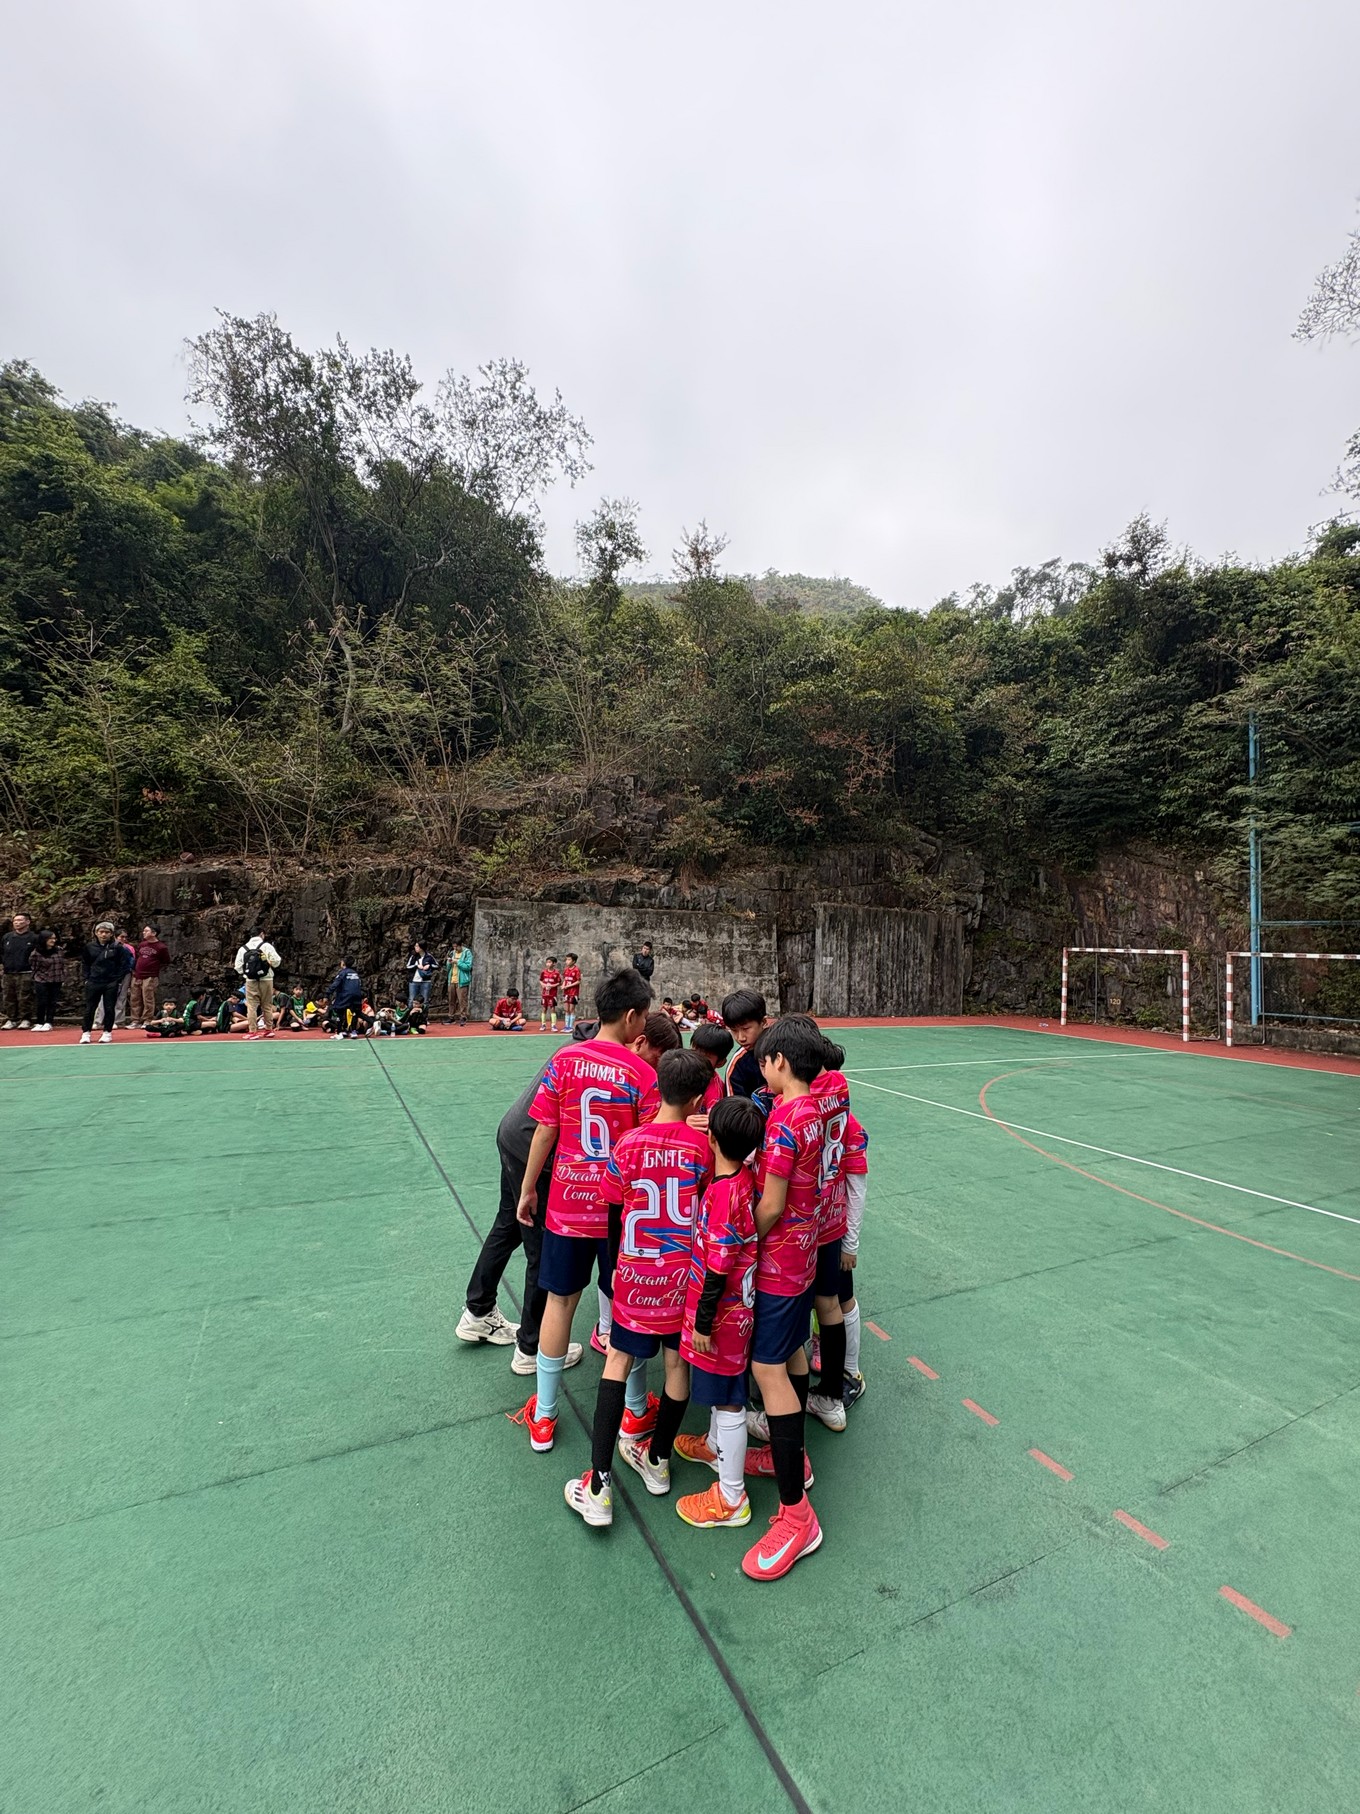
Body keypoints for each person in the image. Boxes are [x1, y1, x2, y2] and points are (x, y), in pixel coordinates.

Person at [508, 966, 658, 1454]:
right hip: (621, 1212)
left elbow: (546, 1130)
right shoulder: (643, 1074)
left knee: (561, 1302)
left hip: (568, 1204)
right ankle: (634, 1409)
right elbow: (648, 1145)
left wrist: (528, 1189)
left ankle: (545, 1415)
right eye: (645, 1016)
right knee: (625, 1308)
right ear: (631, 1016)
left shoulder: (565, 1059)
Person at [565, 1048, 713, 1527]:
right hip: (681, 1278)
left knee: (618, 1360)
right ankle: (658, 1460)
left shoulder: (627, 1145)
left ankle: (599, 1484)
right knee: (676, 1365)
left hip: (635, 1275)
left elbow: (612, 1213)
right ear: (697, 1099)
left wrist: (613, 1269)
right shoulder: (701, 1150)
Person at [739, 1017, 826, 1582]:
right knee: (793, 1353)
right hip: (803, 1257)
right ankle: (790, 1455)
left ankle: (798, 1516)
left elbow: (769, 1205)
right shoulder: (813, 1107)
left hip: (778, 1263)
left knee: (766, 1367)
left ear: (781, 1063)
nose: (761, 1069)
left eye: (765, 1061)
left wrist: (737, 1240)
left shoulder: (786, 1121)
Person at [457, 1043, 592, 1378]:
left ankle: (478, 1311)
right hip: (532, 1145)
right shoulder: (609, 1061)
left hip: (513, 1133)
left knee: (508, 1224)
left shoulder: (579, 1045)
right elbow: (550, 1127)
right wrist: (532, 1184)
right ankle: (532, 1347)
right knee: (542, 1249)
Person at [673, 1094, 767, 1529]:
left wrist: (704, 1320)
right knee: (722, 1392)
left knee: (729, 1399)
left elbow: (719, 1266)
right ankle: (714, 1447)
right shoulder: (742, 1177)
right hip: (734, 1312)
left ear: (711, 1137)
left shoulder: (725, 1193)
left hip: (723, 1317)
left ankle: (732, 1497)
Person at [589, 1009, 684, 1355]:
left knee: (612, 1257)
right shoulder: (636, 1076)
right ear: (640, 1041)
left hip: (606, 1179)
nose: (659, 1070)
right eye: (659, 1059)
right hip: (607, 1181)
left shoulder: (590, 1054)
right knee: (610, 1256)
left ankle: (608, 1326)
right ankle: (606, 1327)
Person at [79, 921, 133, 1044]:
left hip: (110, 982)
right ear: (96, 933)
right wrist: (87, 978)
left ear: (111, 934)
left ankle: (107, 1032)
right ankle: (86, 1033)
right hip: (94, 981)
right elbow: (85, 963)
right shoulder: (89, 947)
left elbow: (124, 964)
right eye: (101, 932)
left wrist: (117, 979)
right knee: (90, 1008)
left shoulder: (118, 948)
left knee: (109, 1008)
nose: (103, 934)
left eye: (107, 932)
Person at [721, 988, 774, 1106]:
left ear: (763, 1021)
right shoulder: (737, 1066)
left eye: (746, 1029)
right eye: (734, 1030)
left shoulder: (785, 1047)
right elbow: (735, 1110)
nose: (741, 1038)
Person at [235, 930, 282, 1039]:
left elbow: (238, 967)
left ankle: (252, 1031)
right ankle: (268, 1029)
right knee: (267, 1005)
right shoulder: (266, 946)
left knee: (251, 1006)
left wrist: (247, 973)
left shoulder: (243, 948)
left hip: (251, 980)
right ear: (262, 934)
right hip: (267, 979)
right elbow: (277, 962)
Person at [127, 925, 170, 1027]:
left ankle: (147, 1019)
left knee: (148, 999)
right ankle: (135, 1020)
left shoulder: (161, 947)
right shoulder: (142, 944)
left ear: (154, 933)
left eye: (146, 931)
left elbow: (166, 961)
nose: (144, 933)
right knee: (135, 998)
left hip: (150, 976)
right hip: (137, 975)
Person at [1, 911, 37, 1028]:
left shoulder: (34, 938)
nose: (17, 923)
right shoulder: (7, 937)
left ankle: (25, 1019)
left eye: (20, 920)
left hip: (26, 971)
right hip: (8, 972)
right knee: (8, 996)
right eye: (15, 921)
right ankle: (11, 1019)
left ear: (27, 922)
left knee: (25, 996)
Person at [690, 1022, 735, 1113]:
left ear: (720, 1063)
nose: (697, 1059)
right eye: (694, 1052)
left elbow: (712, 1120)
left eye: (706, 1057)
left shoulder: (715, 1091)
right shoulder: (680, 1072)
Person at [29, 929, 64, 1031]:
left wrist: (63, 976)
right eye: (50, 938)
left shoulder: (59, 950)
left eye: (54, 938)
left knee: (52, 1001)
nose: (53, 940)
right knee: (41, 1001)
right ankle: (39, 1022)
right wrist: (37, 977)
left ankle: (49, 1022)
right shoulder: (36, 953)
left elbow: (62, 964)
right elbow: (34, 967)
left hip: (56, 979)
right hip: (41, 979)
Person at [325, 958, 364, 1037]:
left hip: (345, 995)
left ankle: (339, 1032)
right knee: (354, 1012)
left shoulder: (343, 973)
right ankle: (353, 1032)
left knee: (339, 1011)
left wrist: (327, 994)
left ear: (343, 963)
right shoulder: (355, 973)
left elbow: (335, 984)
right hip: (357, 995)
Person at [447, 941, 474, 1024]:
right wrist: (449, 962)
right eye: (453, 947)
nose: (455, 949)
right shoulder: (452, 953)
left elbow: (468, 966)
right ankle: (451, 1016)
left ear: (461, 945)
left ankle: (463, 1017)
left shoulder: (467, 953)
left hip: (461, 980)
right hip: (452, 979)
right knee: (451, 999)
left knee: (462, 1000)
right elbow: (447, 967)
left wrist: (457, 962)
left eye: (456, 947)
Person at [406, 941, 437, 1008]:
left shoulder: (429, 956)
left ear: (422, 947)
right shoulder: (413, 956)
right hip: (414, 981)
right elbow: (408, 966)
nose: (415, 947)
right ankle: (410, 1013)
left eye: (417, 946)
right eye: (415, 946)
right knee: (411, 999)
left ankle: (424, 1013)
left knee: (425, 1000)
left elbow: (436, 965)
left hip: (426, 981)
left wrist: (429, 965)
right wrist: (416, 966)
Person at [538, 955, 561, 1032]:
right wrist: (544, 985)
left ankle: (553, 1025)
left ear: (554, 963)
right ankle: (543, 1024)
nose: (548, 964)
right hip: (545, 994)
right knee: (544, 1008)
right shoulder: (543, 972)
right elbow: (540, 980)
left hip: (552, 994)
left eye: (550, 962)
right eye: (547, 962)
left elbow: (559, 982)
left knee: (552, 1009)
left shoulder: (556, 973)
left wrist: (552, 986)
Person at [561, 953, 582, 1031]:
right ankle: (566, 1026)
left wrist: (568, 986)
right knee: (566, 1009)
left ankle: (571, 1026)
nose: (567, 961)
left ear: (573, 961)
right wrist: (563, 985)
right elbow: (565, 979)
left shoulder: (576, 970)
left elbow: (578, 981)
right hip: (566, 993)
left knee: (571, 1009)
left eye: (569, 959)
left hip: (573, 992)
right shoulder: (566, 969)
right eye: (566, 959)